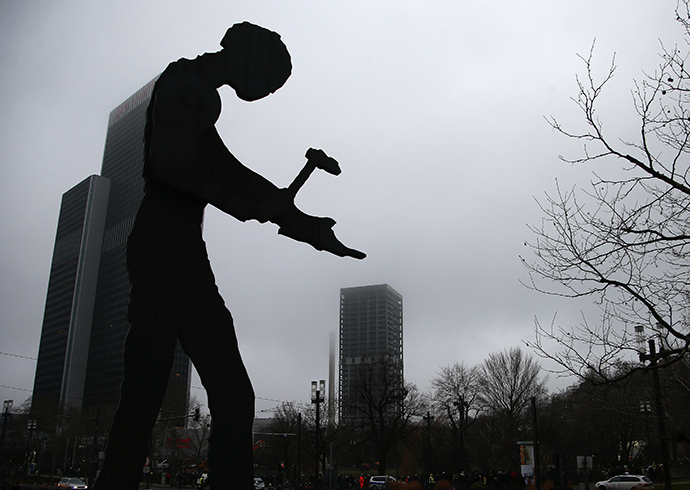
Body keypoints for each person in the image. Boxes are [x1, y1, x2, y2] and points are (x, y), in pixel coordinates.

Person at [93, 22, 364, 490]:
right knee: (162, 391)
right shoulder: (190, 90)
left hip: (177, 249)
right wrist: (260, 206)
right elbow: (177, 168)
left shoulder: (193, 90)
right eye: (269, 83)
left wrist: (301, 223)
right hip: (165, 250)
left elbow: (222, 170)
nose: (265, 93)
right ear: (250, 62)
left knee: (209, 394)